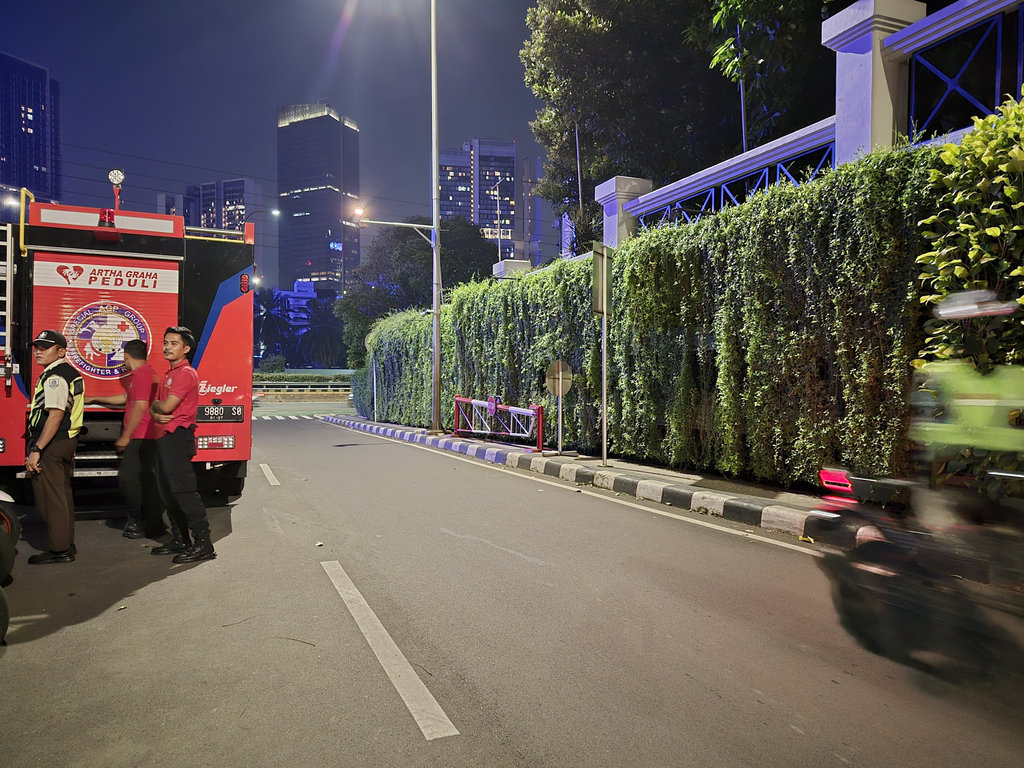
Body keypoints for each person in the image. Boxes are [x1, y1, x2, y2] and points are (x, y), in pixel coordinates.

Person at [84, 339, 164, 540]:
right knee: (144, 479)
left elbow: (140, 406)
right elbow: (127, 399)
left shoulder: (142, 375)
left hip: (140, 434)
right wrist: (94, 399)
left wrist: (126, 436)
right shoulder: (145, 374)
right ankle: (153, 523)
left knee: (128, 478)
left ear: (126, 356)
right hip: (143, 435)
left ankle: (136, 520)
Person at [149, 326, 216, 563]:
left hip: (177, 437)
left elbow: (165, 406)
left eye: (174, 343)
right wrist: (156, 409)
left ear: (186, 348)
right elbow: (156, 409)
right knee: (167, 492)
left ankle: (203, 543)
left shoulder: (186, 373)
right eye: (166, 342)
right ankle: (181, 539)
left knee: (184, 491)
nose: (167, 347)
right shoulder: (169, 373)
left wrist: (156, 407)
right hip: (164, 437)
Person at [25, 330, 84, 565]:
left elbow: (55, 416)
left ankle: (60, 550)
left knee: (50, 499)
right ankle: (66, 543)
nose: (38, 351)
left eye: (45, 347)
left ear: (60, 352)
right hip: (63, 440)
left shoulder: (56, 377)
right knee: (62, 495)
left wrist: (37, 449)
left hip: (52, 442)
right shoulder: (67, 373)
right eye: (37, 347)